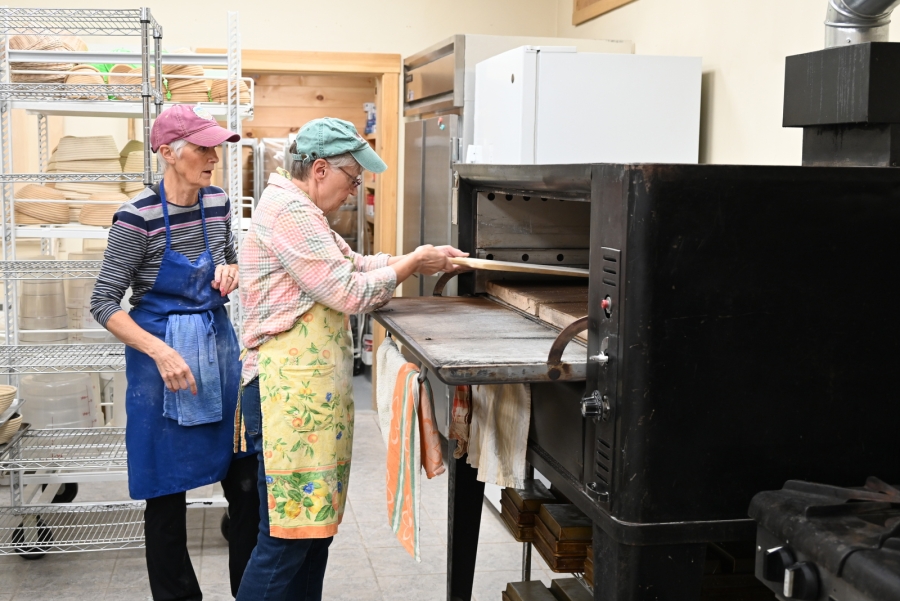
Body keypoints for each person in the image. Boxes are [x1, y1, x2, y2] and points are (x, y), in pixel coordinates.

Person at [236, 117, 465, 600]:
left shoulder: (302, 210)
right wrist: (410, 264)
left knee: (312, 534)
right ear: (320, 169)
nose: (353, 190)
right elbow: (349, 291)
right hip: (287, 400)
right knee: (286, 540)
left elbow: (355, 265)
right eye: (352, 179)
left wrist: (415, 257)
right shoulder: (289, 212)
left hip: (305, 401)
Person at [90, 104, 259, 600]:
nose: (213, 157)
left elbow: (229, 258)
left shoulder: (218, 202)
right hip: (159, 364)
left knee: (246, 486)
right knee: (165, 501)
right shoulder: (135, 217)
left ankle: (248, 592)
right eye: (203, 148)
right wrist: (160, 352)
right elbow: (102, 302)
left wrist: (230, 272)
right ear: (168, 152)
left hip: (217, 352)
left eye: (215, 148)